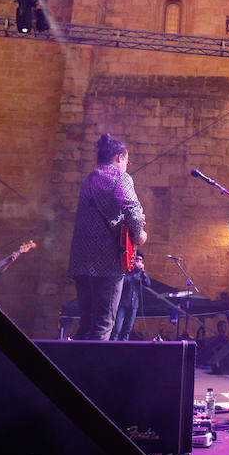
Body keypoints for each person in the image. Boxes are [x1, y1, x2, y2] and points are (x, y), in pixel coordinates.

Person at [68, 133, 146, 340]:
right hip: (107, 263)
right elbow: (132, 209)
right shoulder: (119, 177)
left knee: (86, 322)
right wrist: (140, 234)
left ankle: (72, 370)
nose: (127, 166)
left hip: (81, 261)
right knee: (104, 323)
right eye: (127, 161)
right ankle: (94, 371)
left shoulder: (89, 179)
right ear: (120, 157)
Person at [112, 251, 152, 340]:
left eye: (140, 260)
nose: (139, 261)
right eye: (137, 259)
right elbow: (124, 282)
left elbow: (148, 284)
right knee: (117, 329)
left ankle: (123, 349)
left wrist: (143, 272)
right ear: (133, 260)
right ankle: (112, 347)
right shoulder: (126, 271)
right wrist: (134, 272)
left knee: (127, 330)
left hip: (134, 305)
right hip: (122, 303)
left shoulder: (140, 272)